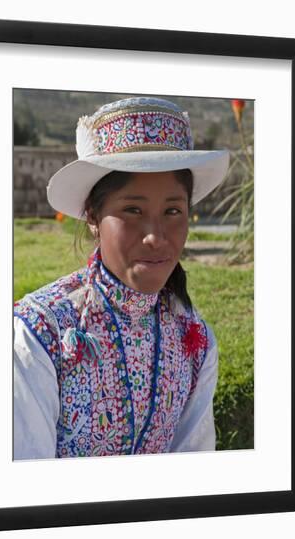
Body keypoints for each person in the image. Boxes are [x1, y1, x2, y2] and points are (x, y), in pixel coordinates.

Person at [13, 96, 229, 460]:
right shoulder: (39, 334)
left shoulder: (195, 339)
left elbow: (193, 466)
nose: (156, 236)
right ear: (94, 216)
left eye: (173, 210)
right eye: (132, 210)